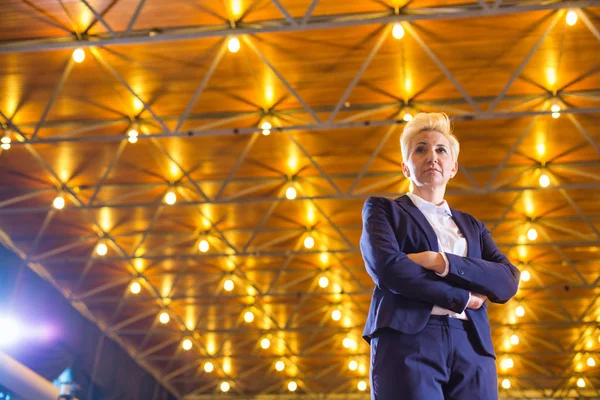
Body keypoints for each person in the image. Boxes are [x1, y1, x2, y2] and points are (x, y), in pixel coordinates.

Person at [360, 112, 520, 399]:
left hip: (473, 345)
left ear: (453, 167)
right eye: (420, 149)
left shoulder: (473, 226)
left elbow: (507, 280)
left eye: (440, 149)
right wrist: (461, 297)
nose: (431, 156)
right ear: (405, 167)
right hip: (408, 338)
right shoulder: (383, 210)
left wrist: (440, 261)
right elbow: (388, 268)